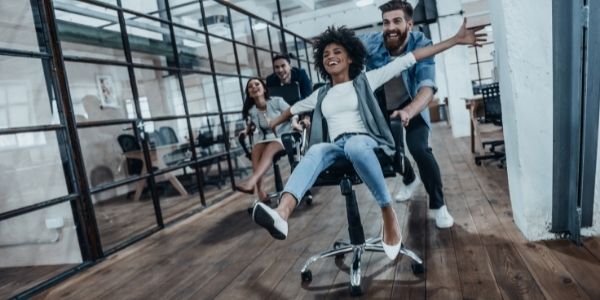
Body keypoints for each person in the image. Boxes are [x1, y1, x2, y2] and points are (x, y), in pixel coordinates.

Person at [251, 23, 484, 260]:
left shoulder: (366, 80)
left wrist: (454, 40)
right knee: (317, 149)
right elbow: (292, 110)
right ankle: (282, 213)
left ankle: (387, 211)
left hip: (365, 142)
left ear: (351, 58)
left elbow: (410, 58)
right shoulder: (321, 94)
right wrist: (273, 122)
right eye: (325, 54)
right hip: (336, 147)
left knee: (354, 145)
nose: (330, 56)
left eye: (337, 52)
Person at [360, 1, 484, 228]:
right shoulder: (372, 43)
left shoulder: (421, 44)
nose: (391, 27)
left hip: (412, 103)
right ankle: (410, 179)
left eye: (397, 21)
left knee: (419, 149)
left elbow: (427, 88)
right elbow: (346, 46)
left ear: (409, 23)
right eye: (386, 22)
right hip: (383, 107)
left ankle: (439, 205)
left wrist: (408, 111)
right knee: (388, 153)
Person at [235, 78, 302, 202]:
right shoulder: (252, 110)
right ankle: (260, 193)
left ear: (264, 88)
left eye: (257, 84)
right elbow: (253, 125)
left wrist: (295, 123)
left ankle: (251, 182)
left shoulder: (277, 101)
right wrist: (246, 131)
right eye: (250, 86)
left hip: (284, 135)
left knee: (271, 147)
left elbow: (293, 113)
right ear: (249, 93)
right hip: (265, 138)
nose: (254, 87)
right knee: (255, 149)